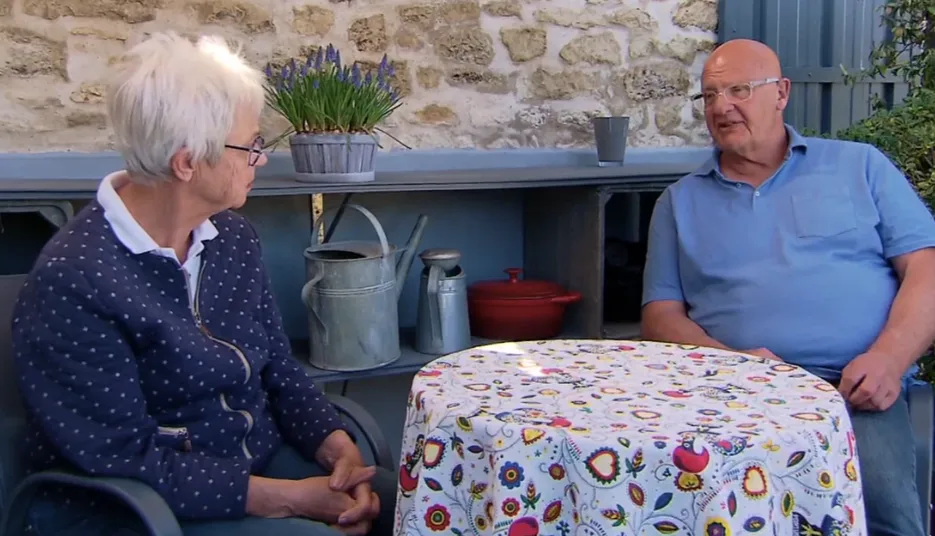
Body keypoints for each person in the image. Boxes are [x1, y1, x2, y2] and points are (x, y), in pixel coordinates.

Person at [10, 32, 395, 536]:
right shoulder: (75, 278)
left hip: (258, 462)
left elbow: (278, 369)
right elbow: (122, 458)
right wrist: (289, 500)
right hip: (141, 506)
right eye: (250, 145)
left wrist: (335, 444)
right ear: (187, 161)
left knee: (414, 504)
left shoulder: (232, 238)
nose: (260, 158)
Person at [641, 38, 935, 536]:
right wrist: (730, 363)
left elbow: (925, 270)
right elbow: (660, 316)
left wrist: (889, 358)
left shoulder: (859, 166)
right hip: (733, 391)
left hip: (853, 386)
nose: (721, 107)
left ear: (780, 93)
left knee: (881, 512)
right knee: (704, 513)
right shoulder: (679, 202)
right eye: (709, 96)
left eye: (738, 89)